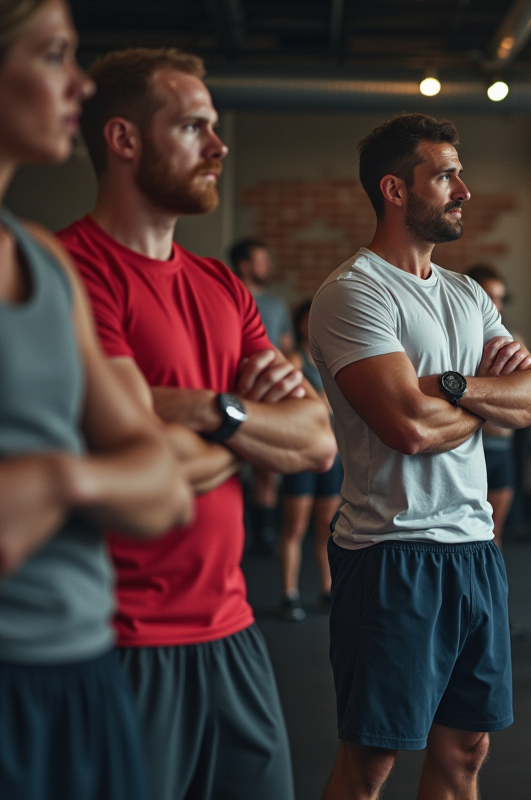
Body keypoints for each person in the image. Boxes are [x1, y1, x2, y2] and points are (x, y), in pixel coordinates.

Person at [61, 46, 338, 800]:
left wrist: (211, 410)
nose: (219, 148)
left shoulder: (221, 285)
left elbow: (316, 440)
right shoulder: (74, 273)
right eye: (194, 128)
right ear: (123, 141)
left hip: (233, 631)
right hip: (123, 641)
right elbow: (140, 459)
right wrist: (251, 435)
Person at [309, 113, 531, 800]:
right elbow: (406, 429)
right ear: (394, 189)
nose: (463, 190)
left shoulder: (468, 294)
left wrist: (449, 387)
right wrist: (483, 403)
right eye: (445, 175)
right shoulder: (353, 292)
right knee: (372, 764)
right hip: (391, 552)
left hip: (475, 548)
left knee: (467, 750)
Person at [0, 5, 193, 798]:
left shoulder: (41, 260)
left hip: (83, 671)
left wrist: (62, 481)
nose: (80, 82)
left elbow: (162, 483)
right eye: (53, 56)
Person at [276, 300, 344, 621]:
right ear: (301, 324)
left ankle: (326, 589)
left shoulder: (332, 360)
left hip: (331, 454)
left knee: (325, 528)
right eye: (307, 321)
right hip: (300, 455)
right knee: (295, 526)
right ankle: (290, 593)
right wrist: (323, 402)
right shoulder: (293, 359)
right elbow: (295, 404)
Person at [231, 238, 293, 552]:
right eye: (260, 261)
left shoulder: (276, 306)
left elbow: (285, 349)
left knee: (266, 469)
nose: (266, 267)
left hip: (267, 395)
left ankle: (263, 534)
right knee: (227, 464)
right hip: (229, 392)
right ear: (244, 265)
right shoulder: (225, 297)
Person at [466, 263, 520, 545]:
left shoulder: (511, 341)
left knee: (494, 535)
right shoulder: (459, 343)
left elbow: (530, 398)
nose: (496, 304)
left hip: (503, 450)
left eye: (501, 297)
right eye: (490, 296)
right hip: (470, 449)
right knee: (470, 536)